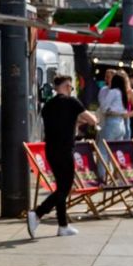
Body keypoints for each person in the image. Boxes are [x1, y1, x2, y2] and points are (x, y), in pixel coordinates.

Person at [28, 76, 83, 239]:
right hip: (65, 150)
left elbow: (59, 123)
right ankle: (38, 213)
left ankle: (63, 225)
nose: (71, 90)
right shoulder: (72, 102)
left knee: (61, 187)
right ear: (66, 86)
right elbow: (90, 118)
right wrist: (93, 121)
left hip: (51, 150)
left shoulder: (48, 106)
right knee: (65, 188)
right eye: (71, 87)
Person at [98, 71, 133, 142]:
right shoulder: (123, 93)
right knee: (116, 148)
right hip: (121, 123)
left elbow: (104, 107)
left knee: (104, 148)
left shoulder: (113, 92)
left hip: (111, 121)